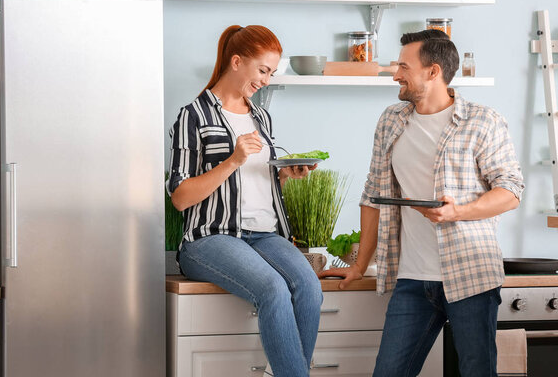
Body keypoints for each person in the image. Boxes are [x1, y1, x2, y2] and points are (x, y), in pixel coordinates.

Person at [319, 30, 524, 377]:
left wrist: (457, 211)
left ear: (432, 72)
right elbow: (372, 197)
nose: (395, 73)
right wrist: (358, 265)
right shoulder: (391, 121)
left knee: (477, 372)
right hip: (412, 279)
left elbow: (511, 191)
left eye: (403, 65)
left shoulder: (483, 121)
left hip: (471, 275)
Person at [167, 25, 323, 377]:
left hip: (264, 235)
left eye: (271, 72)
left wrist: (284, 174)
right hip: (211, 238)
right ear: (237, 62)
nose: (267, 80)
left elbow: (254, 180)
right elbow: (179, 197)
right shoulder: (193, 116)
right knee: (273, 289)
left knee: (310, 288)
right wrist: (232, 160)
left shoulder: (260, 116)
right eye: (263, 70)